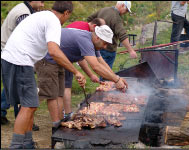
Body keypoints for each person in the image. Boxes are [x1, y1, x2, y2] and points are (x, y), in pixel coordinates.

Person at [1, 1, 86, 149]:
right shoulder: (53, 20)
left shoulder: (43, 15)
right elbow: (53, 51)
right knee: (29, 106)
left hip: (13, 59)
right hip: (19, 60)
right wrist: (76, 71)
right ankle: (16, 146)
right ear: (66, 13)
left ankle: (27, 144)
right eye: (68, 16)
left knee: (30, 106)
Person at [35, 25, 128, 125]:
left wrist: (115, 77)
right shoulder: (85, 40)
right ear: (97, 37)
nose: (105, 47)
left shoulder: (93, 42)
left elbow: (100, 62)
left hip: (60, 60)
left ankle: (62, 122)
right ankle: (56, 124)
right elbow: (96, 66)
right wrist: (116, 80)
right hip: (46, 58)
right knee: (52, 94)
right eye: (105, 43)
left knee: (60, 93)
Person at [1, 1, 44, 131]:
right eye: (41, 2)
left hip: (9, 51)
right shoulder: (23, 13)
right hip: (12, 53)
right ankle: (23, 120)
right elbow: (28, 36)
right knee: (21, 86)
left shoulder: (24, 8)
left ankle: (2, 110)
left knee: (11, 84)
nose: (42, 5)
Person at [63, 18, 106, 119]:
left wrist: (113, 76)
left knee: (66, 86)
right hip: (58, 56)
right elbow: (84, 60)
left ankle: (66, 113)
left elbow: (99, 58)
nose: (105, 47)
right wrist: (90, 74)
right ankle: (64, 115)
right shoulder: (85, 33)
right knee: (62, 88)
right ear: (95, 27)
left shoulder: (88, 33)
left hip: (67, 57)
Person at [87, 1, 137, 74]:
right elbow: (122, 35)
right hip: (109, 48)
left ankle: (103, 83)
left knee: (102, 69)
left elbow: (89, 20)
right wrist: (131, 51)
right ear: (122, 5)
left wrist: (95, 34)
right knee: (107, 72)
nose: (125, 12)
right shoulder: (116, 17)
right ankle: (105, 83)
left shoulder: (104, 9)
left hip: (97, 45)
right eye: (126, 10)